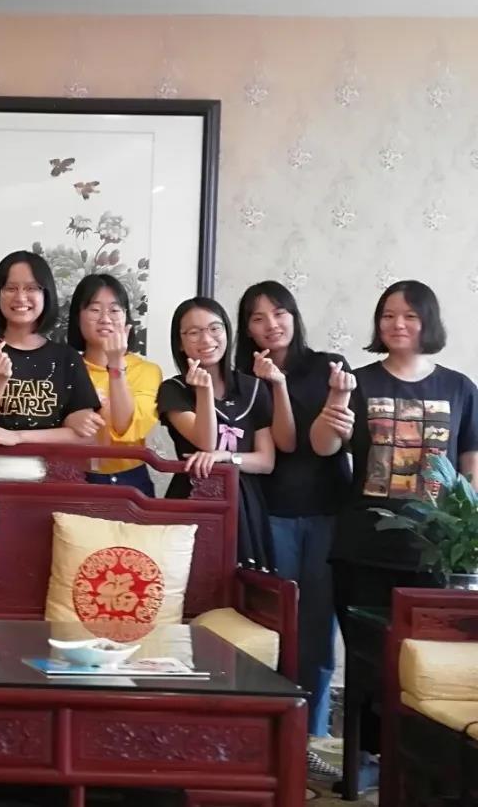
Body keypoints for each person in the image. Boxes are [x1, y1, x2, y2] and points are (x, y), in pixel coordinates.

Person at [310, 280, 478, 783]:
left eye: (409, 315)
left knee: (425, 665)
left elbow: (471, 467)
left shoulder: (459, 388)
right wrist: (335, 403)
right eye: (387, 315)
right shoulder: (357, 382)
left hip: (436, 554)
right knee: (368, 663)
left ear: (428, 321)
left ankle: (420, 762)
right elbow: (323, 447)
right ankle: (363, 758)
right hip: (363, 546)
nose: (397, 324)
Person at [235, 280, 350, 779]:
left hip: (326, 512)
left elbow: (331, 441)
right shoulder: (242, 379)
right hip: (270, 513)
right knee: (273, 624)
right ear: (246, 328)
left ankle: (313, 735)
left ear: (294, 316)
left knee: (318, 627)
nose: (271, 324)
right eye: (258, 317)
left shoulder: (328, 367)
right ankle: (271, 731)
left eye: (279, 313)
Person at [0, 251, 102, 479]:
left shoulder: (66, 357)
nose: (21, 297)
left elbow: (86, 436)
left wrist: (18, 437)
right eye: (11, 288)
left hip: (52, 478)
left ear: (46, 294)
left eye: (32, 288)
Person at [157, 297, 275, 570]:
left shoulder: (253, 388)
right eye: (193, 332)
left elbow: (266, 461)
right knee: (190, 580)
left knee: (244, 584)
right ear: (180, 342)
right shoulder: (173, 389)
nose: (206, 339)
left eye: (214, 328)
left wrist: (226, 457)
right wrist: (204, 391)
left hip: (244, 501)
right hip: (192, 497)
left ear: (227, 332)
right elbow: (205, 442)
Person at [66, 273, 162, 496]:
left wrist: (116, 362)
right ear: (78, 317)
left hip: (129, 480)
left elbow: (124, 426)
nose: (105, 319)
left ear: (126, 318)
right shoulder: (63, 367)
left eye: (114, 310)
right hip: (71, 478)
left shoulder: (147, 371)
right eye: (94, 309)